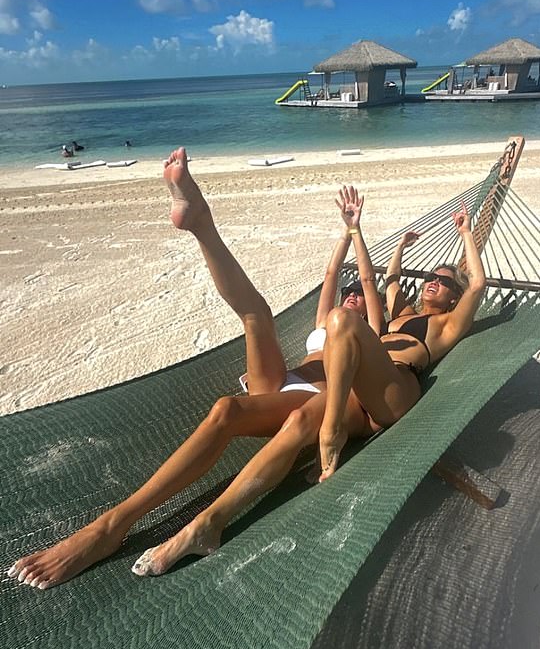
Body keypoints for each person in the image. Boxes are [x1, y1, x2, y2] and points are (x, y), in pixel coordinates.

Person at [7, 150, 382, 588]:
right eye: (348, 296)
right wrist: (345, 231)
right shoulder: (327, 316)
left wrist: (359, 234)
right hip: (285, 385)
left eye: (358, 297)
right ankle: (200, 222)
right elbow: (333, 273)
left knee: (236, 403)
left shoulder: (365, 329)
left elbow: (370, 284)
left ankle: (112, 527)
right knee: (246, 348)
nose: (352, 297)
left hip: (323, 398)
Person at [317, 201, 486, 480]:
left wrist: (466, 233)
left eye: (444, 282)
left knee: (341, 318)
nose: (433, 281)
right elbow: (391, 280)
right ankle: (217, 517)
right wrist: (399, 247)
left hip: (395, 392)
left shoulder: (447, 324)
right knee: (298, 421)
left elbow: (478, 284)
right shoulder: (403, 314)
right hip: (366, 387)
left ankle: (331, 431)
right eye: (431, 277)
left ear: (455, 297)